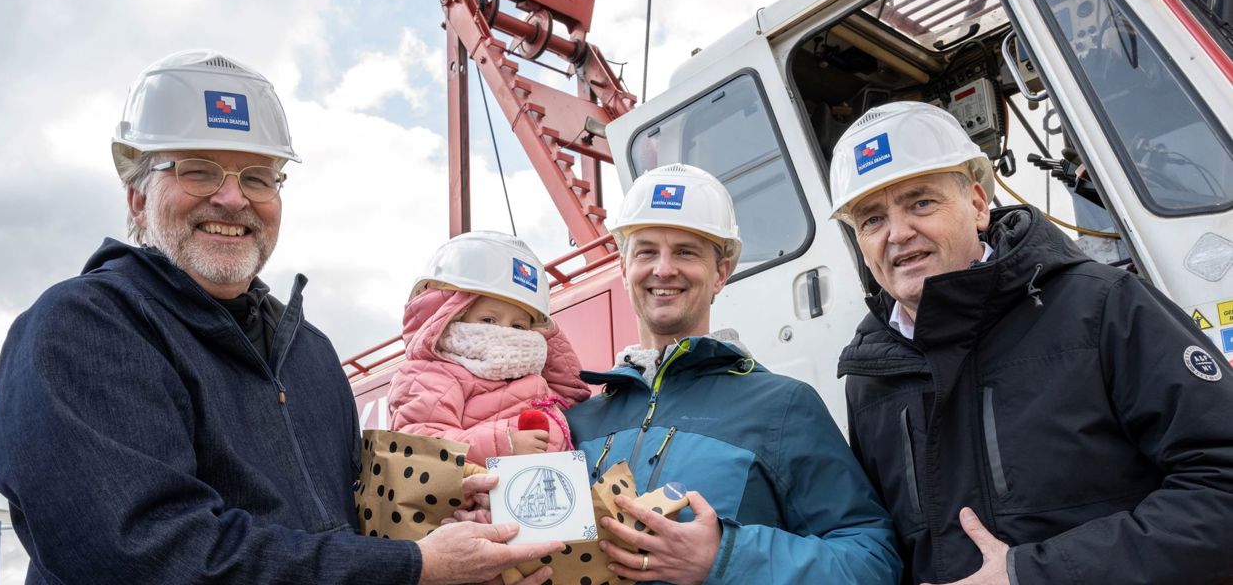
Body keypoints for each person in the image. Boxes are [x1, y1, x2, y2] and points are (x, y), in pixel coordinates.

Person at [0, 49, 561, 585]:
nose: (233, 199)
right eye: (198, 170)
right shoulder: (83, 329)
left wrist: (454, 518)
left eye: (258, 177)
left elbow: (359, 519)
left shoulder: (309, 352)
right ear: (136, 197)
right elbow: (151, 555)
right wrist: (414, 567)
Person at [830, 101, 1233, 584]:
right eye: (871, 220)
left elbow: (1221, 487)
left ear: (978, 205)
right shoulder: (869, 377)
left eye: (920, 202)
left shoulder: (1104, 307)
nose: (898, 233)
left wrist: (1032, 575)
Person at [566, 163, 902, 584]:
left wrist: (725, 558)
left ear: (721, 273)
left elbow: (872, 560)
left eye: (686, 251)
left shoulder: (783, 408)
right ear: (624, 268)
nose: (664, 269)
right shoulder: (575, 424)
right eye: (646, 251)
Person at [388, 231, 590, 464]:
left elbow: (575, 395)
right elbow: (423, 449)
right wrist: (504, 444)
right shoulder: (429, 375)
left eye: (518, 326)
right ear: (451, 316)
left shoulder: (531, 372)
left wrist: (549, 337)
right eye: (488, 320)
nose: (505, 332)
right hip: (479, 497)